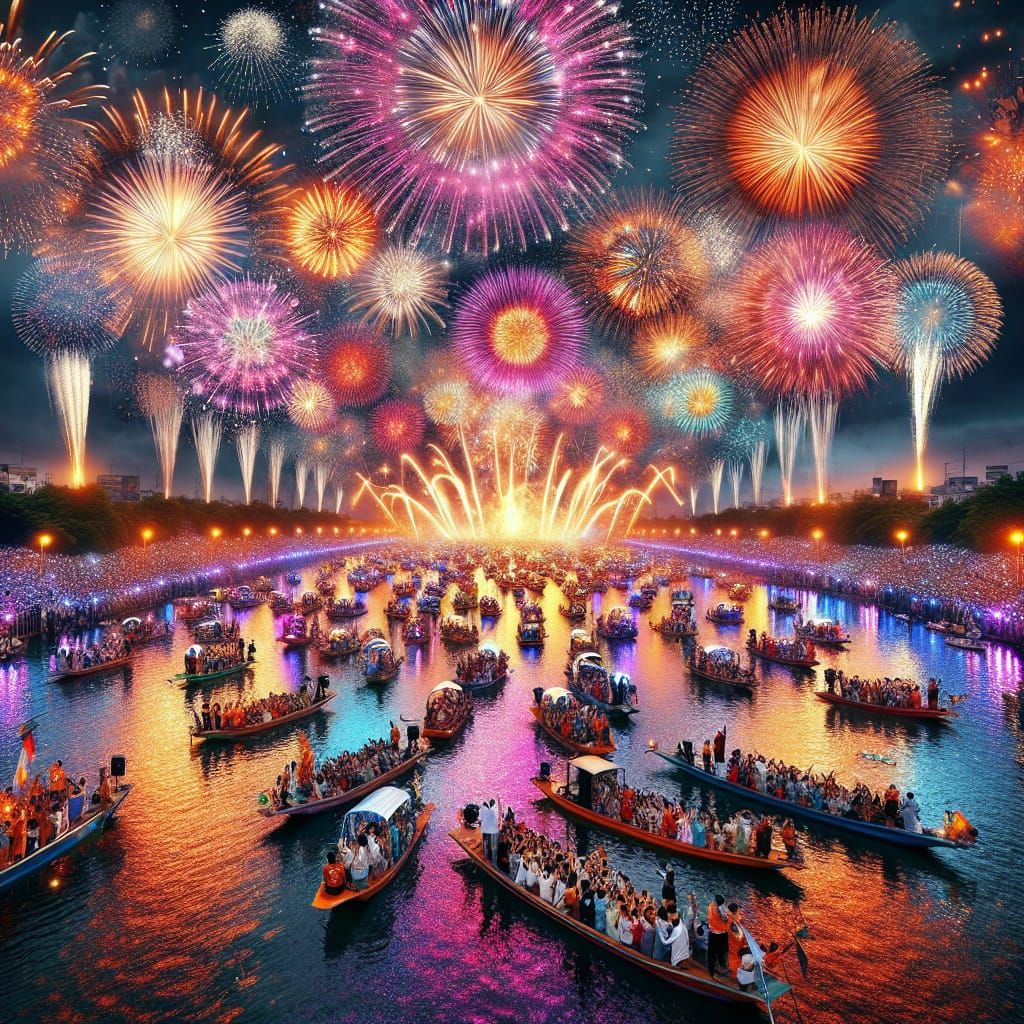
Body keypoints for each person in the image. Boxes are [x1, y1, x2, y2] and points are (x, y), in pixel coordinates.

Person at [706, 894, 730, 979]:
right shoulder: (721, 910)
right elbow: (726, 918)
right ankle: (722, 967)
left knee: (711, 954)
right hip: (722, 934)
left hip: (713, 934)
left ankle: (711, 971)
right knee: (721, 952)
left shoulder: (711, 906)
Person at [480, 798, 500, 864]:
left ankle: (487, 857)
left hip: (486, 829)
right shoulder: (492, 812)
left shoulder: (488, 812)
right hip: (490, 829)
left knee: (486, 842)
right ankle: (489, 858)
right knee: (488, 843)